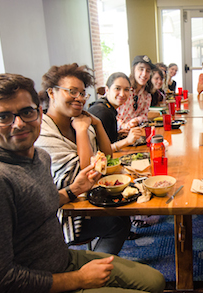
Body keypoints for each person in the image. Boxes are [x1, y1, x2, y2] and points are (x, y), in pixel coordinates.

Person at [0, 73, 165, 292]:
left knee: (156, 282)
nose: (19, 124)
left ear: (39, 113)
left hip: (62, 261)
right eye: (3, 117)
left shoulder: (38, 157)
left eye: (27, 112)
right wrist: (80, 279)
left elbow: (39, 204)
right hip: (37, 284)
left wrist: (73, 190)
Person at [35, 64, 131, 255]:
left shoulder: (81, 121)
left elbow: (107, 157)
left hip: (87, 198)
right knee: (117, 223)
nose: (79, 98)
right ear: (52, 93)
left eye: (82, 93)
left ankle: (96, 266)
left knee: (123, 213)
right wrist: (80, 131)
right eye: (72, 91)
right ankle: (95, 270)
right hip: (61, 210)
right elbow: (85, 173)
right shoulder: (43, 132)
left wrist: (95, 123)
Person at [88, 72, 143, 151]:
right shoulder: (102, 112)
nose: (122, 94)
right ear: (107, 89)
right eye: (117, 88)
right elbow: (97, 152)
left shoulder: (109, 108)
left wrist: (117, 135)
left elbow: (105, 139)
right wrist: (127, 141)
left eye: (126, 89)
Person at [117, 55, 155, 130]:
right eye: (141, 69)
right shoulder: (123, 90)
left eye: (148, 71)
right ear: (134, 70)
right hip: (118, 132)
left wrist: (137, 120)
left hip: (135, 132)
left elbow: (144, 115)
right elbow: (111, 114)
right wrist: (124, 126)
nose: (144, 74)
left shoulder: (147, 95)